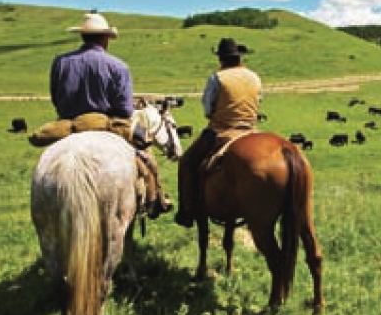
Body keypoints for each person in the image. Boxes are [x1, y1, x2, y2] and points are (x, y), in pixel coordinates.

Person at [51, 12, 167, 217]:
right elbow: (124, 110)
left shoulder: (60, 62)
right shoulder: (118, 66)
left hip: (69, 125)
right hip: (108, 124)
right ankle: (155, 198)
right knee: (147, 153)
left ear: (82, 36)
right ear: (105, 38)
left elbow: (56, 98)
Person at [175, 37, 262, 228]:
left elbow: (207, 109)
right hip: (250, 131)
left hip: (222, 131)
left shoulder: (217, 78)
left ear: (221, 59)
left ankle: (187, 211)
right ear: (240, 58)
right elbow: (258, 102)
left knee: (187, 162)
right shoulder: (254, 77)